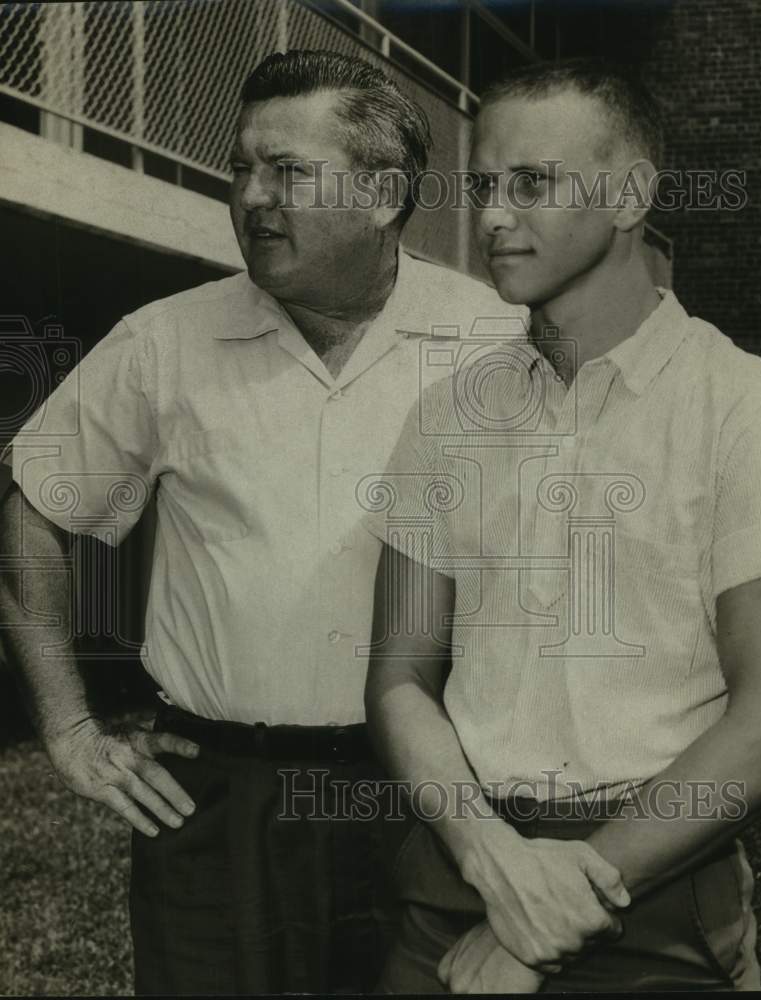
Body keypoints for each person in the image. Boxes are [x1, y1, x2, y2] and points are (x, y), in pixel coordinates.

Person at [0, 49, 523, 994]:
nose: (250, 196)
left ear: (384, 194)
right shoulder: (163, 342)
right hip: (216, 798)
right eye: (242, 167)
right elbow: (34, 513)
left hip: (421, 797)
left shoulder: (492, 343)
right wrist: (70, 726)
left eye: (288, 170)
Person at [364, 58, 761, 993]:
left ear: (629, 195)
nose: (493, 215)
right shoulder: (448, 416)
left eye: (530, 184)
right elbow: (399, 675)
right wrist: (494, 862)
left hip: (658, 891)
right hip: (460, 869)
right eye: (485, 186)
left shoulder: (757, 411)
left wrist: (555, 905)